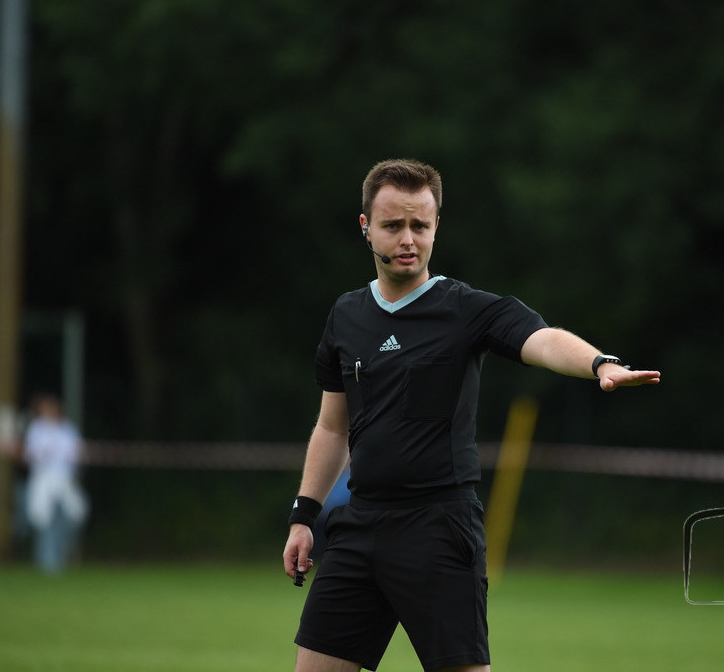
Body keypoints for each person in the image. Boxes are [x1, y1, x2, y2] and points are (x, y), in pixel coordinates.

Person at [282, 159, 660, 672]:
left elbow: (542, 339)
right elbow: (332, 426)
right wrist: (305, 516)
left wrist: (599, 364)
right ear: (366, 227)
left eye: (421, 224)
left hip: (439, 528)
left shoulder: (467, 310)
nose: (408, 238)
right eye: (394, 225)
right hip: (360, 529)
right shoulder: (345, 316)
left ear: (437, 226)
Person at [22, 392, 89, 573]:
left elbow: (78, 454)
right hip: (43, 479)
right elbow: (30, 456)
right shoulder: (36, 429)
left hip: (64, 480)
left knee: (77, 513)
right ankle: (48, 563)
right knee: (43, 520)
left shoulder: (68, 429)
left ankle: (58, 556)